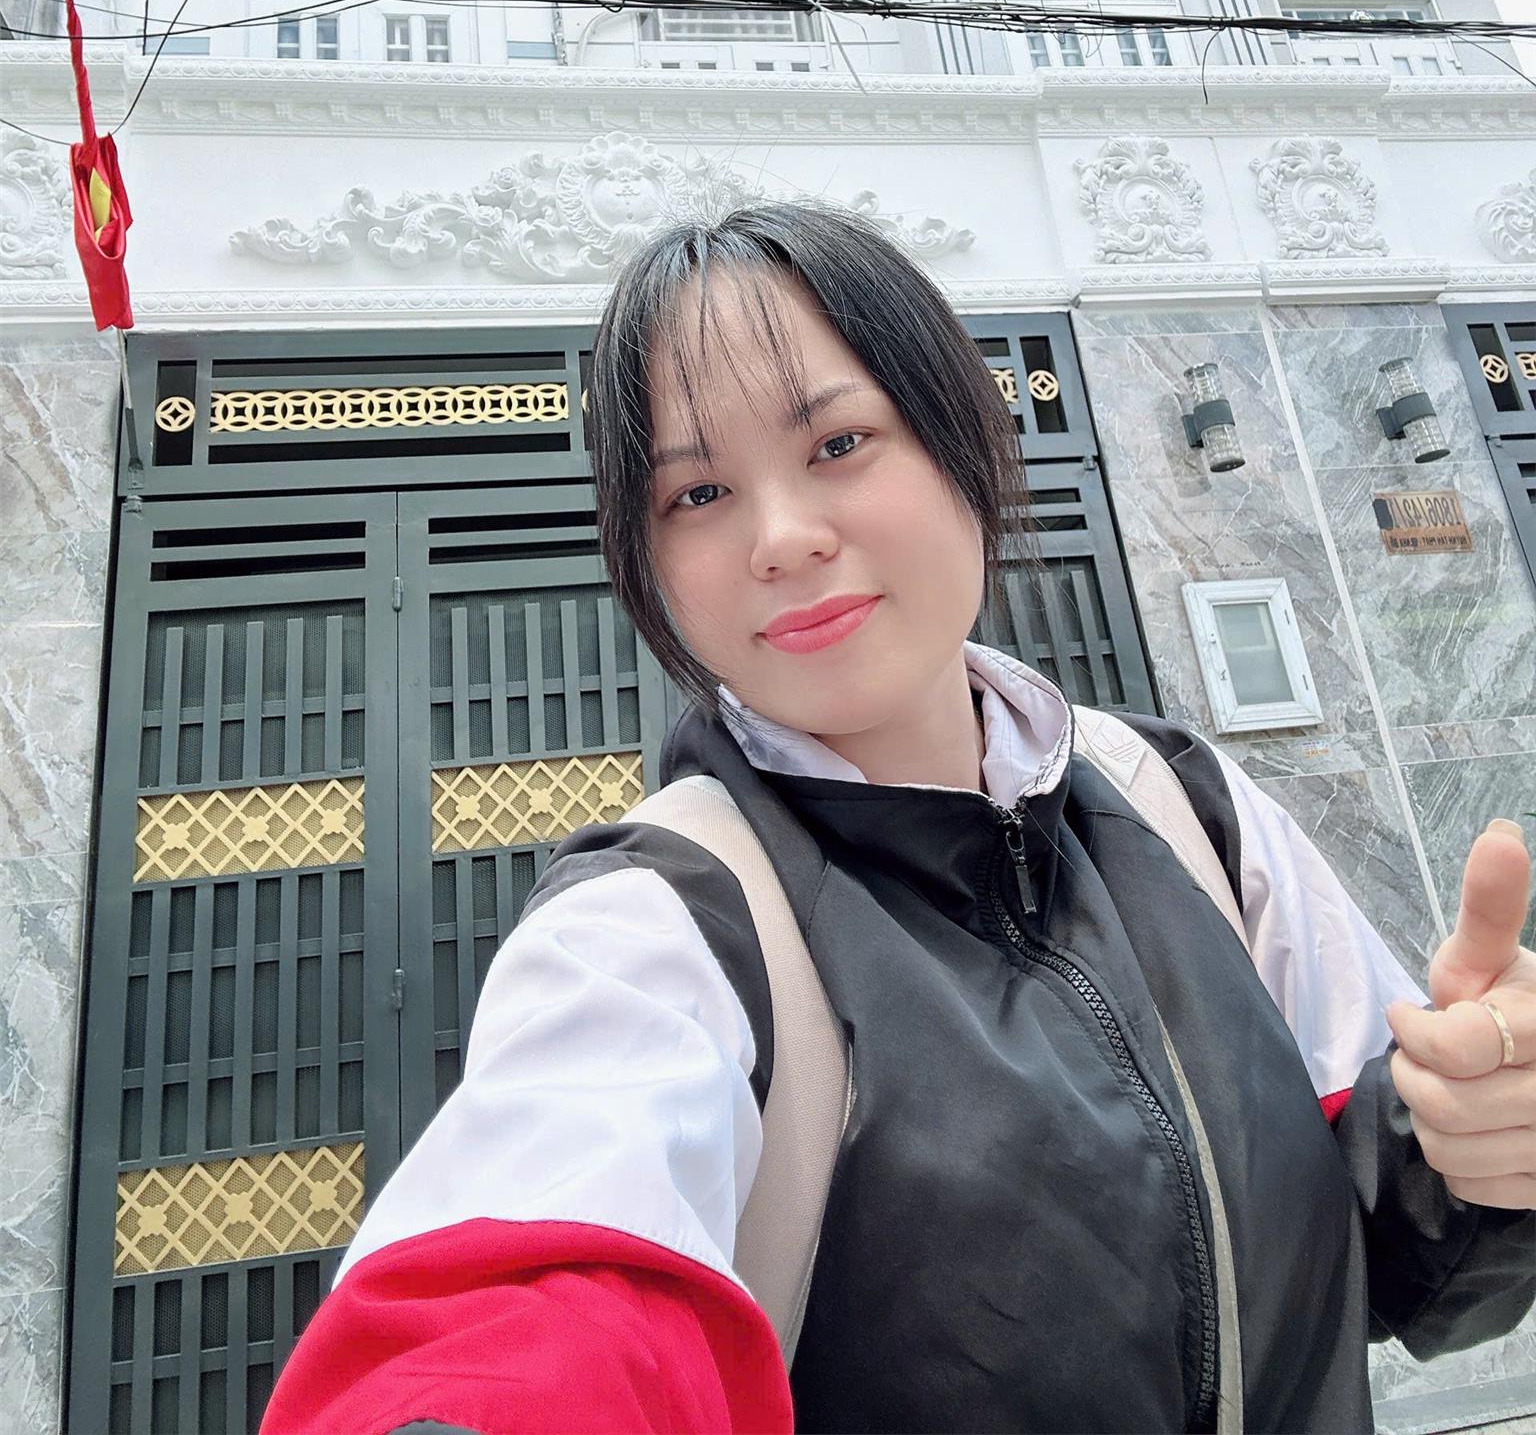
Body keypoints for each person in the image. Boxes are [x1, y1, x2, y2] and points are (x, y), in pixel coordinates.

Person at [262, 200, 1536, 1435]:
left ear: (962, 439)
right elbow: (531, 1294)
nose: (781, 537)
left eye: (837, 444)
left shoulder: (1185, 806)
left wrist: (1482, 1141)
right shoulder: (664, 922)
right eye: (696, 495)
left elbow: (1400, 1251)